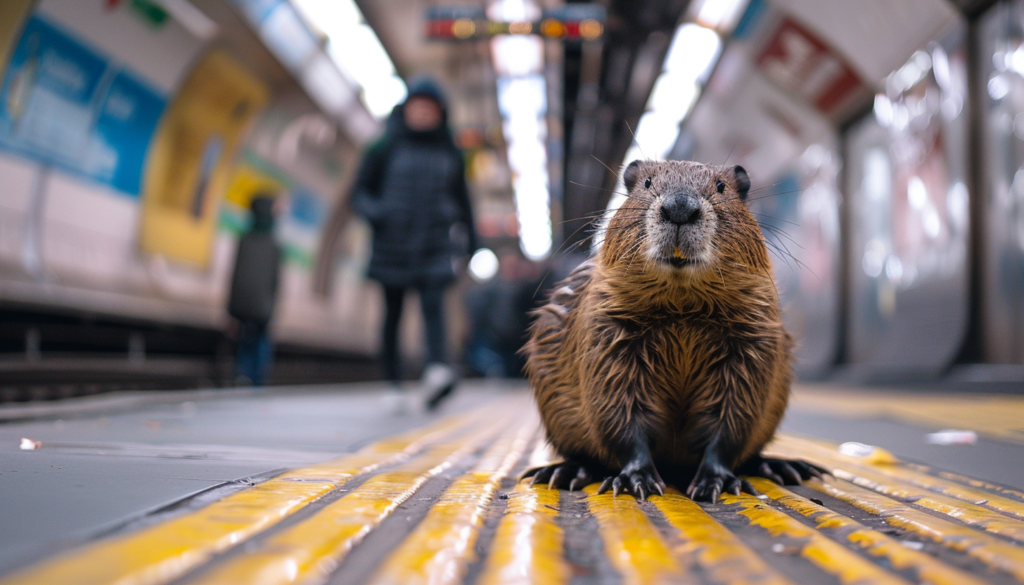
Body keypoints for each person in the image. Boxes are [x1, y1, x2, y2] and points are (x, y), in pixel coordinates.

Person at [351, 77, 477, 411]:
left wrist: (472, 241)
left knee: (434, 306)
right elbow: (360, 191)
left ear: (441, 113)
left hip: (434, 242)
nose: (422, 113)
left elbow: (464, 201)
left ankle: (436, 368)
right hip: (392, 242)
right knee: (392, 314)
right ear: (405, 109)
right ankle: (393, 383)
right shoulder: (385, 146)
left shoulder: (451, 152)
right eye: (417, 106)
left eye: (429, 108)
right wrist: (378, 214)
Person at [227, 195, 282, 386]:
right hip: (263, 309)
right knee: (260, 345)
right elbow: (275, 283)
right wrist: (272, 310)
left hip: (241, 306)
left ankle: (241, 376)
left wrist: (231, 311)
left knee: (244, 343)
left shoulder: (244, 240)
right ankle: (257, 382)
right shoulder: (274, 246)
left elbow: (235, 276)